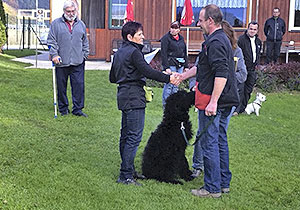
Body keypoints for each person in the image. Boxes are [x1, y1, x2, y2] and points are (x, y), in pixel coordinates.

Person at [109, 21, 180, 186]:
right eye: (140, 34)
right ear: (130, 36)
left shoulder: (120, 52)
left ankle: (129, 170)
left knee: (126, 135)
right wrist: (168, 78)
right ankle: (125, 175)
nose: (143, 37)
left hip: (123, 95)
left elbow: (112, 77)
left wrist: (126, 75)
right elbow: (148, 72)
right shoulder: (134, 52)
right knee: (133, 137)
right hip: (134, 96)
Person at [180, 4, 239, 198]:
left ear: (210, 21)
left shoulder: (215, 42)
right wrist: (181, 77)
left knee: (210, 142)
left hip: (216, 102)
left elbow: (221, 72)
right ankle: (223, 183)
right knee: (220, 140)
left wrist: (213, 101)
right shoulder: (217, 39)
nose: (198, 23)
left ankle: (212, 188)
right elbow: (202, 68)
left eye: (201, 20)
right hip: (225, 99)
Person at [47, 0, 89, 117]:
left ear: (76, 11)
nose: (71, 13)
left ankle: (78, 109)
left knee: (79, 86)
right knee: (61, 86)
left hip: (78, 62)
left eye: (73, 11)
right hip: (61, 62)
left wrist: (84, 54)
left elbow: (85, 41)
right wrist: (54, 54)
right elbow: (51, 41)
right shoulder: (56, 24)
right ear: (64, 11)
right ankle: (63, 109)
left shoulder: (81, 24)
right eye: (68, 11)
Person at [235, 21, 262, 115]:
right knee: (240, 90)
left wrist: (256, 64)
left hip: (252, 69)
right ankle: (236, 110)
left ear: (257, 30)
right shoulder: (241, 40)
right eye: (251, 29)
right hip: (243, 69)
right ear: (247, 29)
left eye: (254, 29)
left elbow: (258, 54)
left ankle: (243, 108)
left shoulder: (258, 42)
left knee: (248, 90)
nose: (252, 31)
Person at [221, 20, 247, 116]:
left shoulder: (236, 51)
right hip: (209, 96)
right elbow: (197, 68)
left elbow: (243, 74)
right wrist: (193, 85)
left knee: (221, 129)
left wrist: (224, 79)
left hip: (227, 96)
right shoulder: (207, 47)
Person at [160, 21, 189, 108]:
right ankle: (166, 103)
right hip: (171, 63)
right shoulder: (165, 38)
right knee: (169, 84)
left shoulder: (181, 39)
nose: (173, 30)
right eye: (172, 27)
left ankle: (174, 103)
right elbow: (163, 53)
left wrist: (186, 66)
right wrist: (166, 67)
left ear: (179, 30)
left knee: (176, 84)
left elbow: (184, 52)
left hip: (180, 64)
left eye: (176, 28)